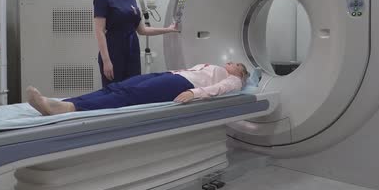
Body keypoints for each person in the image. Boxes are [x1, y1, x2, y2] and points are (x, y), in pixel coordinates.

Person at [26, 62, 249, 116]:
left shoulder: (234, 81)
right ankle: (62, 101)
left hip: (182, 85)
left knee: (128, 96)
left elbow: (219, 89)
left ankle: (68, 108)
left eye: (236, 64)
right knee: (117, 86)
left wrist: (194, 93)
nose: (231, 63)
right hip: (171, 75)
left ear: (240, 73)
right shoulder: (215, 66)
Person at [94, 0, 178, 87]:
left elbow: (142, 30)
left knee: (132, 90)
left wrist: (168, 29)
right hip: (114, 52)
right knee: (113, 93)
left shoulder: (131, 0)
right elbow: (99, 31)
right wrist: (106, 61)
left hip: (132, 51)